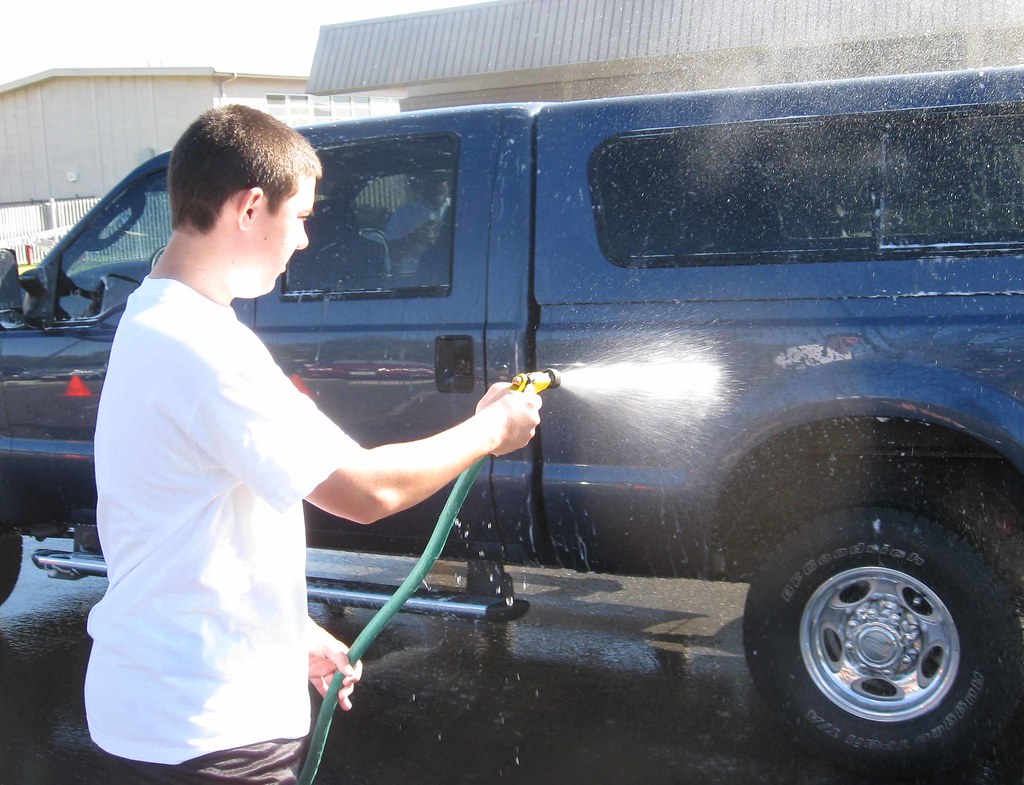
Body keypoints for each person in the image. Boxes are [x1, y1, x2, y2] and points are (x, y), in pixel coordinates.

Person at [84, 104, 542, 784]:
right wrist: (491, 430)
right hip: (209, 731)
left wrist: (287, 629)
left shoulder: (155, 318)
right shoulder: (203, 348)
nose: (302, 240)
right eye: (298, 216)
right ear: (249, 208)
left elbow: (184, 527)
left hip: (160, 711)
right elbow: (365, 490)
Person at [384, 171, 451, 278]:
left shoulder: (459, 210)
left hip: (453, 278)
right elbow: (389, 253)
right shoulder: (404, 214)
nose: (438, 185)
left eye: (441, 179)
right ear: (420, 183)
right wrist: (415, 238)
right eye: (432, 179)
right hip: (411, 281)